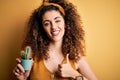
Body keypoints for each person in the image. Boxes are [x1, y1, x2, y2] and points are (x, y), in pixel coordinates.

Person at [13, 0, 97, 80]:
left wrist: (74, 74)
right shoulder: (32, 55)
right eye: (47, 23)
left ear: (66, 23)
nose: (53, 27)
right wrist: (21, 79)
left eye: (57, 20)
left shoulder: (76, 57)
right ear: (42, 28)